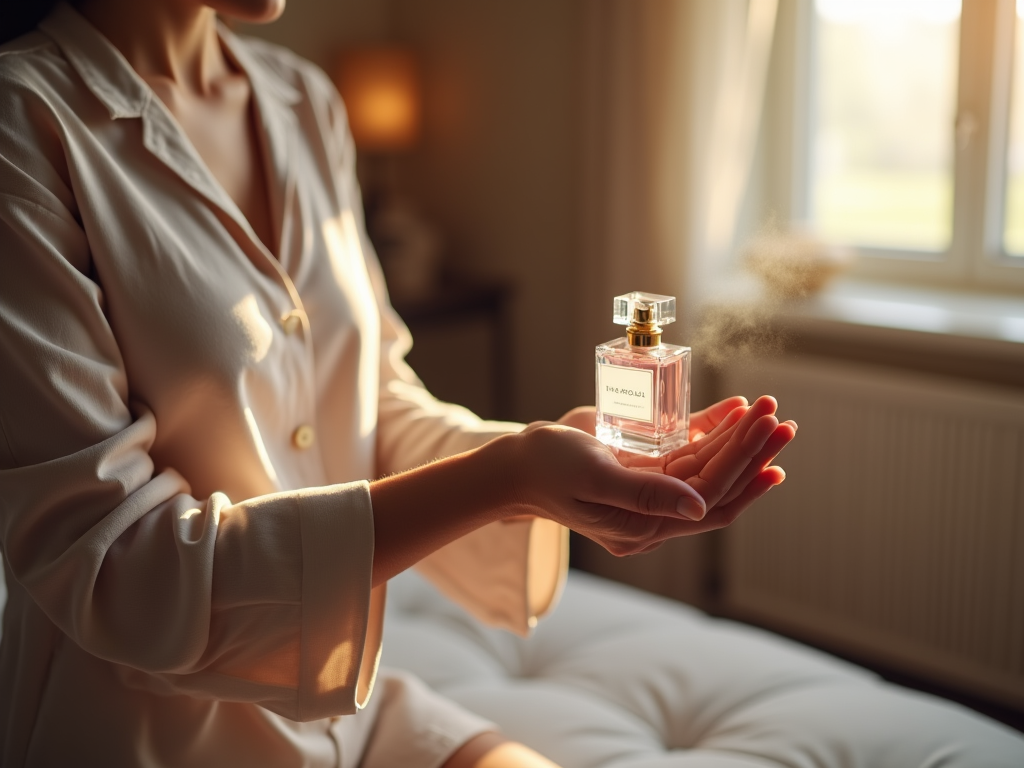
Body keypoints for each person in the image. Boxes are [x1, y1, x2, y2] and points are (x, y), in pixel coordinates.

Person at [0, 1, 796, 766]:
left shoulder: (302, 99)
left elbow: (375, 401)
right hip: (153, 732)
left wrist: (532, 466)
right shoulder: (25, 124)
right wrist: (506, 480)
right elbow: (117, 570)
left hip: (351, 707)